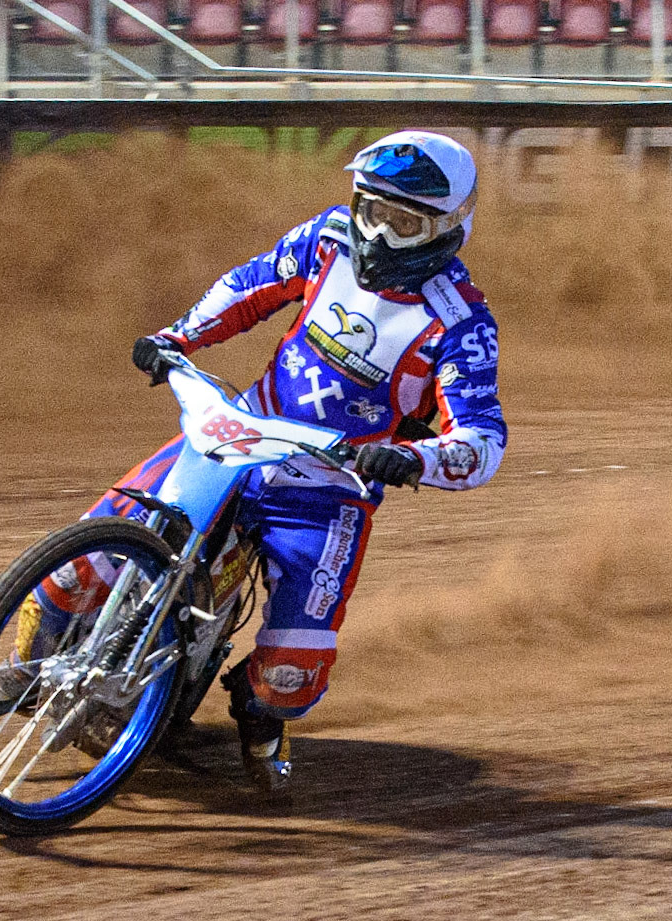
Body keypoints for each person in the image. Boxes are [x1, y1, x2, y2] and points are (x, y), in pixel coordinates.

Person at [100, 131, 504, 791]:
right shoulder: (327, 238)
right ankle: (27, 655)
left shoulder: (461, 324)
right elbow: (250, 286)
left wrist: (410, 458)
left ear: (447, 227)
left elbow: (481, 439)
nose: (378, 233)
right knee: (96, 549)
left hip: (328, 486)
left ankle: (257, 708)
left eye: (403, 223)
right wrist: (176, 337)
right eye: (371, 210)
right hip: (239, 435)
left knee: (291, 675)